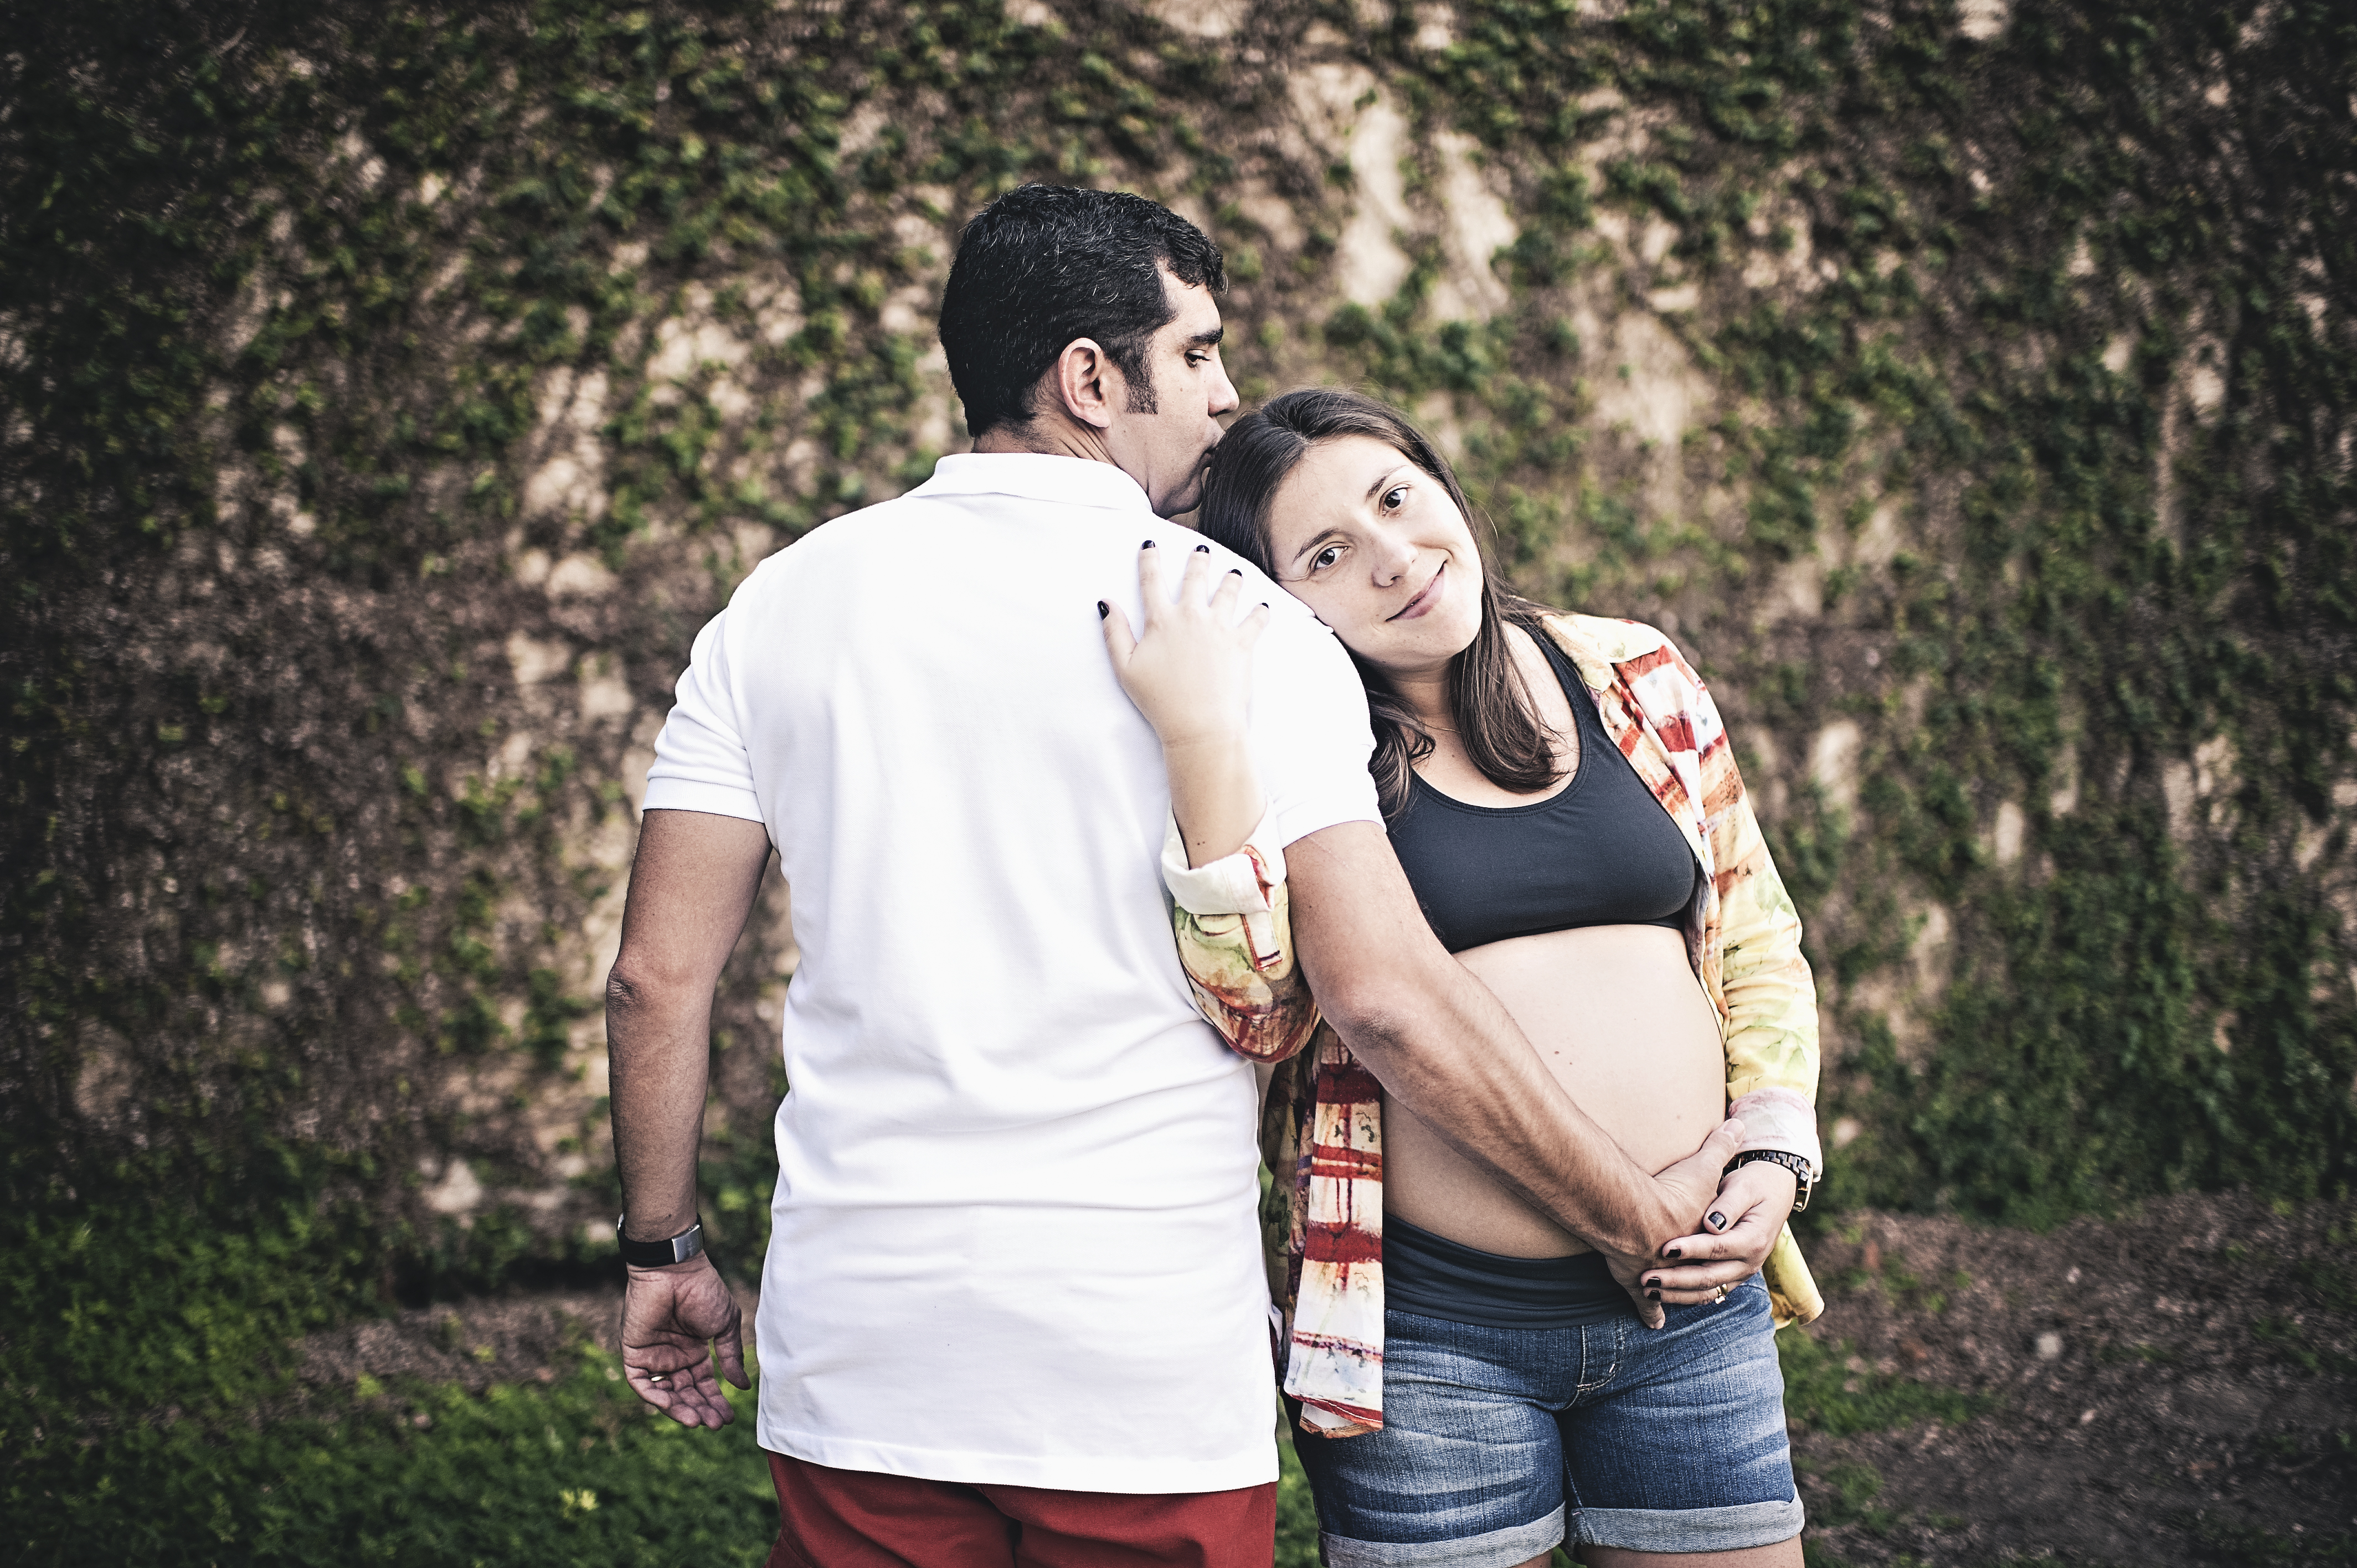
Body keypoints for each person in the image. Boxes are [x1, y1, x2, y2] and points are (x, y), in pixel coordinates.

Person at [603, 188, 1745, 1568]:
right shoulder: (1243, 620)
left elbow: (656, 980)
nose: (1224, 397)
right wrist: (1635, 1218)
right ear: (1090, 378)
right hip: (1137, 1363)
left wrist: (661, 1252)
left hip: (864, 1354)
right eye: (1196, 353)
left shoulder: (777, 606)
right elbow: (1378, 998)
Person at [1100, 387, 1827, 1568]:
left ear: (1441, 483)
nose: (1393, 560)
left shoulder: (1631, 672)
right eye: (1327, 554)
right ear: (1282, 606)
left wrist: (1774, 1146)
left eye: (1396, 499)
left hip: (1693, 1306)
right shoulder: (1308, 758)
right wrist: (1205, 750)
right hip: (1431, 1342)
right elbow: (1256, 1013)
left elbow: (1754, 936)